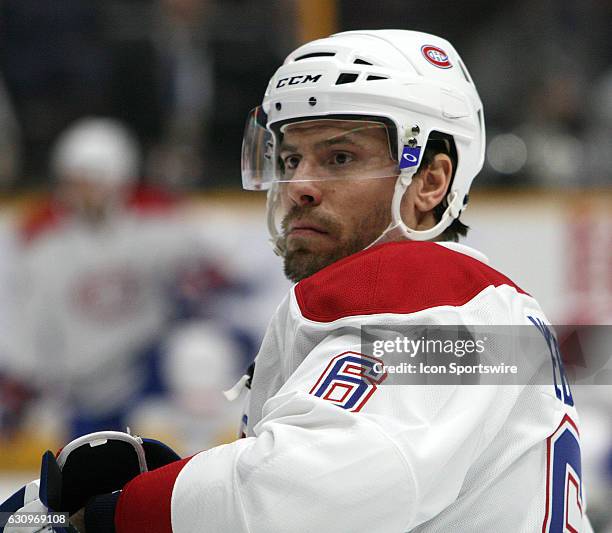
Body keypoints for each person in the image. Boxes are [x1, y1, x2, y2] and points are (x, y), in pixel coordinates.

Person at [1, 30, 593, 532]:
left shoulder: (433, 291)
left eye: (339, 158)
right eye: (290, 160)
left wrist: (110, 514)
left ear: (431, 181)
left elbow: (317, 488)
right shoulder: (478, 305)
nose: (300, 185)